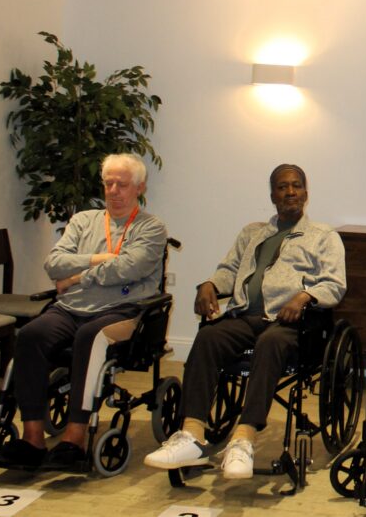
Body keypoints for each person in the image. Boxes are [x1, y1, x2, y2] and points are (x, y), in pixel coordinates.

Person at [144, 164, 346, 478]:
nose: (290, 192)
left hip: (293, 323)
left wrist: (305, 296)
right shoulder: (252, 232)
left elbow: (334, 284)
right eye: (282, 187)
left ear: (306, 193)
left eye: (296, 186)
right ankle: (191, 434)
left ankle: (244, 438)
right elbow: (229, 270)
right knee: (209, 337)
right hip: (246, 316)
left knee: (270, 342)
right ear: (272, 195)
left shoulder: (323, 236)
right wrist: (210, 284)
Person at [0, 153, 168, 471]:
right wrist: (97, 259)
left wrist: (76, 277)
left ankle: (75, 437)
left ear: (139, 187)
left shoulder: (151, 227)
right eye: (108, 183)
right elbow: (54, 263)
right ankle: (32, 438)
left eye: (122, 184)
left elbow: (129, 268)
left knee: (89, 336)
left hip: (121, 309)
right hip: (71, 307)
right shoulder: (84, 220)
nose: (113, 190)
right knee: (30, 335)